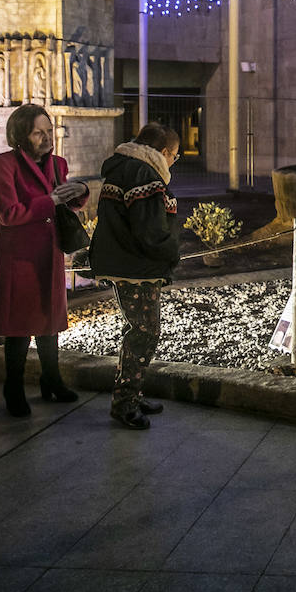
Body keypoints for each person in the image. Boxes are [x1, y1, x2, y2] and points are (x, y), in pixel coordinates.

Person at [0, 104, 89, 417]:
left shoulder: (57, 164)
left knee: (49, 321)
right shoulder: (3, 164)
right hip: (18, 257)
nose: (46, 138)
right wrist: (51, 200)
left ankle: (52, 380)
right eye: (37, 132)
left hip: (49, 253)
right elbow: (8, 213)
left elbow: (69, 203)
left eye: (48, 130)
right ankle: (13, 388)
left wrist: (79, 190)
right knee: (18, 327)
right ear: (21, 135)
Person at [89, 123, 180, 430]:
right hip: (136, 269)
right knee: (145, 331)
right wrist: (172, 252)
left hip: (125, 264)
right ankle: (125, 402)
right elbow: (150, 231)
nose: (173, 163)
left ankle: (132, 393)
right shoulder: (144, 175)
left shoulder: (124, 169)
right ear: (164, 152)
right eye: (175, 156)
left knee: (141, 329)